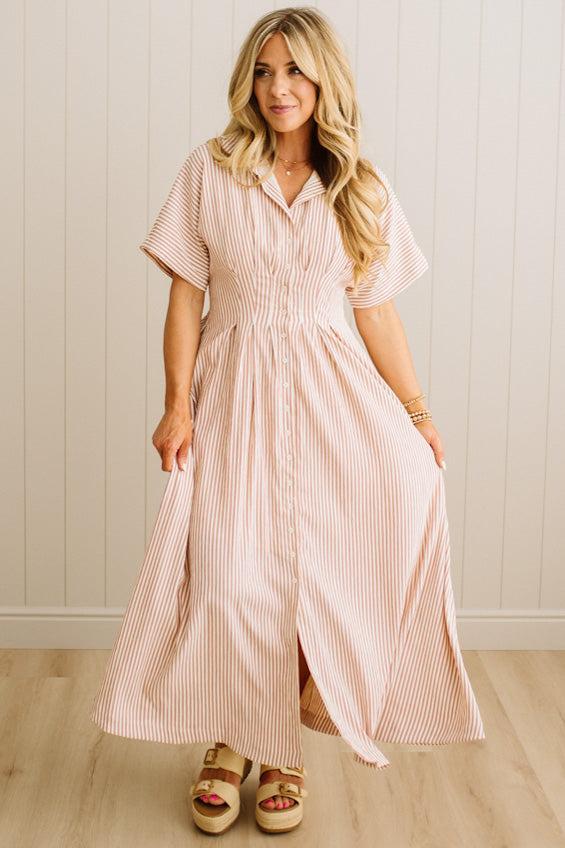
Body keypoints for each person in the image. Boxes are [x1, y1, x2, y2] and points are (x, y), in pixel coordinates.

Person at [89, 6, 486, 836]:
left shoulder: (360, 186)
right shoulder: (210, 171)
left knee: (320, 575)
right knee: (234, 574)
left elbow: (374, 313)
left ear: (323, 81)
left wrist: (417, 415)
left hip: (332, 395)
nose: (278, 88)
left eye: (295, 72)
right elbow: (187, 296)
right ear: (248, 81)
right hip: (233, 394)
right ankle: (231, 738)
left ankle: (284, 752)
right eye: (264, 71)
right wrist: (174, 403)